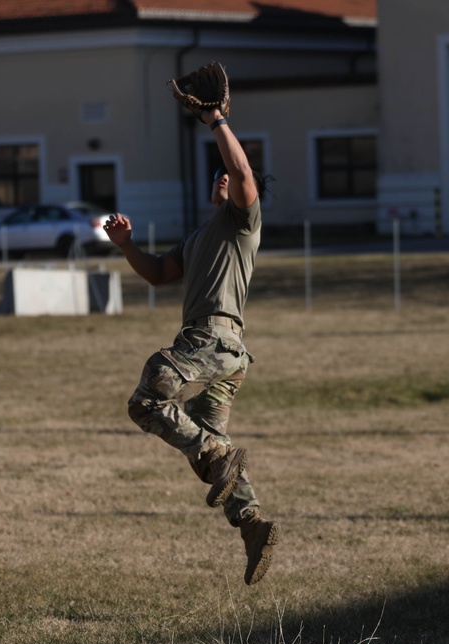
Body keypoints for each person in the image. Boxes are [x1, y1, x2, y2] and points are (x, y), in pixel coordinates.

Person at [103, 105, 277, 585]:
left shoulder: (243, 221)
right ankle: (252, 524)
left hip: (214, 339)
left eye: (231, 174)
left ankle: (215, 455)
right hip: (226, 356)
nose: (225, 176)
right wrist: (127, 246)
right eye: (218, 172)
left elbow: (241, 169)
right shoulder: (202, 235)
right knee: (209, 442)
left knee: (147, 399)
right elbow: (160, 273)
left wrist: (217, 121)